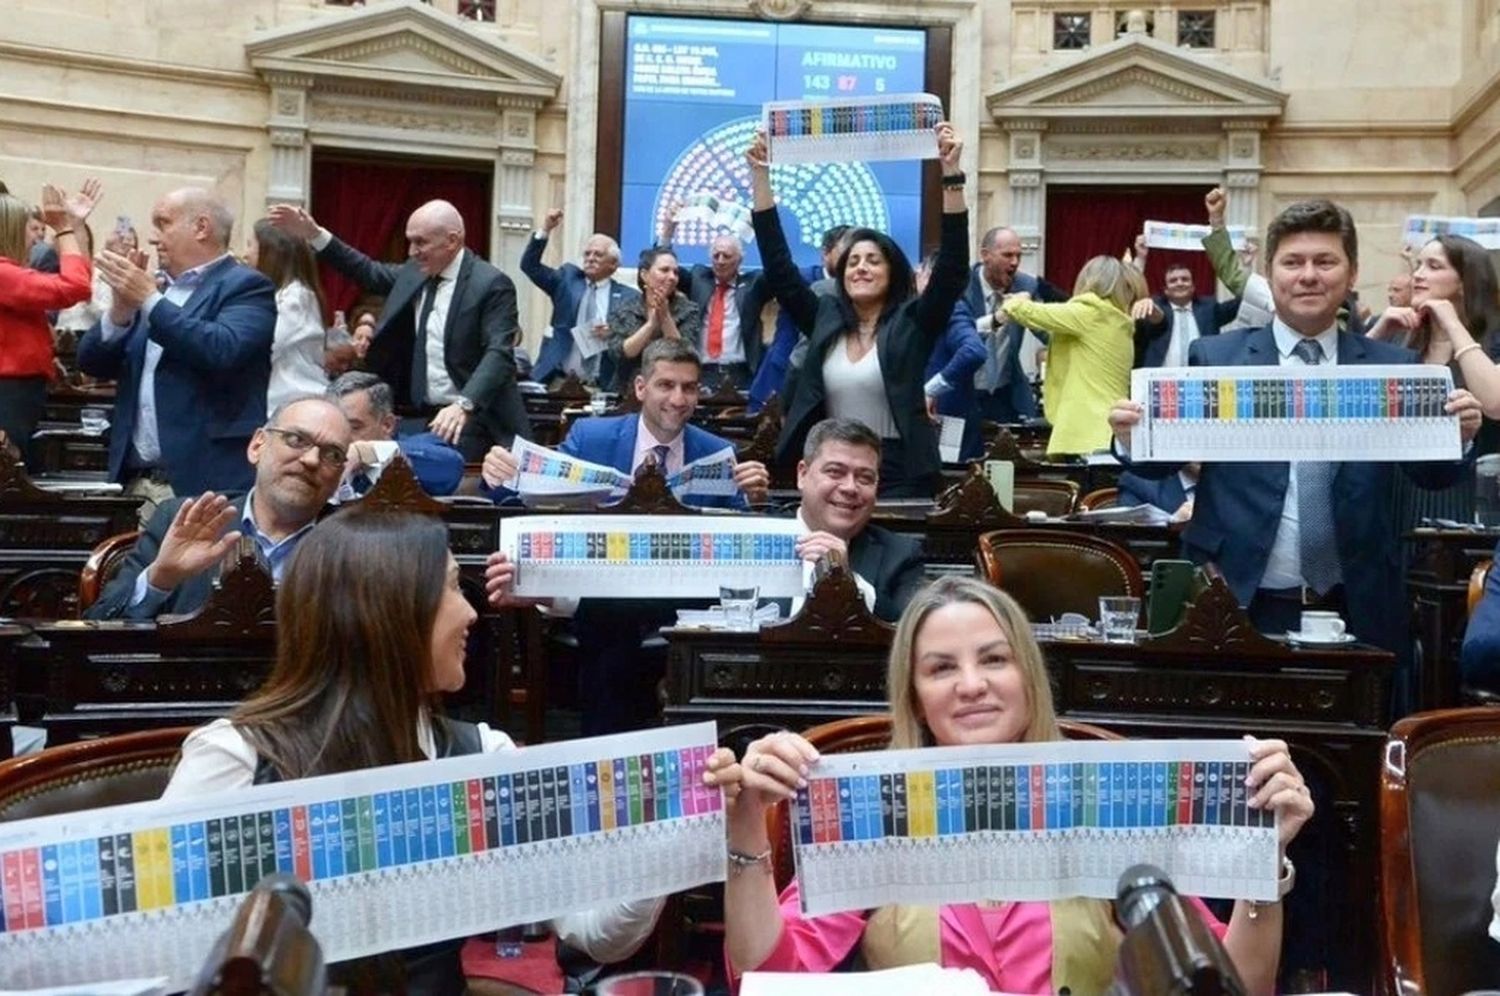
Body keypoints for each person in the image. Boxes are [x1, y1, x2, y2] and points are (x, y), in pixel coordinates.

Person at [706, 575, 1311, 994]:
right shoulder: (873, 804)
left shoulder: (1106, 798)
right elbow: (766, 976)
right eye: (942, 668)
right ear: (916, 699)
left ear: (1029, 677)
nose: (971, 685)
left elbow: (1238, 985)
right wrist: (747, 822)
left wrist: (1264, 861)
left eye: (994, 659)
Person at [162, 510, 686, 994]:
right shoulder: (237, 758)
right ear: (388, 613)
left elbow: (597, 933)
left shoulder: (482, 755)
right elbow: (162, 962)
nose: (471, 614)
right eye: (454, 588)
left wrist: (671, 825)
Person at [1108, 199, 1483, 661]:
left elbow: (1431, 475)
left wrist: (1459, 437)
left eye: (1325, 261)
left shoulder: (1393, 365)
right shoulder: (1216, 358)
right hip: (1236, 598)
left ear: (1351, 272)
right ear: (1270, 272)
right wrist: (1129, 435)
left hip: (1358, 603)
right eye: (1293, 262)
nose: (1309, 275)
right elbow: (1160, 460)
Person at [749, 123, 970, 498]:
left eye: (872, 260)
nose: (860, 268)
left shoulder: (914, 322)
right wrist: (760, 175)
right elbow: (779, 270)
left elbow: (951, 271)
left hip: (899, 470)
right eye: (852, 262)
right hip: (833, 466)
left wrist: (951, 176)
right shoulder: (824, 318)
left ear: (892, 271)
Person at [267, 200, 529, 461]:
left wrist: (464, 404)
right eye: (410, 241)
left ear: (452, 240)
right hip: (418, 416)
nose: (412, 251)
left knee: (386, 460)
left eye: (420, 242)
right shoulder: (416, 272)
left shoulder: (491, 284)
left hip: (471, 420)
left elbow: (498, 353)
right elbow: (367, 271)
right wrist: (315, 234)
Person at [79, 186, 277, 512]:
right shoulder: (157, 290)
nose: (154, 237)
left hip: (205, 484)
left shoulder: (247, 286)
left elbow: (221, 348)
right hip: (135, 482)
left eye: (163, 223)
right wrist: (120, 311)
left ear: (201, 227)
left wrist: (149, 300)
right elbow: (92, 363)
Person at [85, 396, 352, 621]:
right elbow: (97, 629)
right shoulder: (181, 519)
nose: (311, 460)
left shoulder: (353, 546)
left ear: (341, 474)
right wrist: (159, 579)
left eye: (333, 455)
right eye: (296, 439)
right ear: (257, 445)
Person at [1367, 234, 1500, 527]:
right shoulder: (1401, 336)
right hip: (1395, 498)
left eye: (1433, 266)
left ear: (1465, 281)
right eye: (1417, 265)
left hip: (1471, 502)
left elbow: (1495, 402)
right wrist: (1377, 334)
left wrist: (1451, 322)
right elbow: (1334, 390)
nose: (1418, 275)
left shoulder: (1495, 338)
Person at [1001, 254, 1143, 457]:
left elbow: (1029, 312)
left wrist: (1017, 300)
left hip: (1085, 432)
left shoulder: (1092, 312)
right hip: (1110, 429)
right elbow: (1058, 336)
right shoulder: (1116, 320)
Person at [0, 180, 98, 466]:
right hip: (9, 393)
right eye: (30, 230)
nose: (36, 240)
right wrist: (64, 229)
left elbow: (78, 280)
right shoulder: (4, 274)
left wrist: (75, 226)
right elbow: (76, 287)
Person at [791, 418, 926, 622]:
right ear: (803, 474)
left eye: (865, 478)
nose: (850, 488)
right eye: (835, 472)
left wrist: (850, 582)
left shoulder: (902, 555)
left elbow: (911, 630)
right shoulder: (752, 536)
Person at [523, 208, 639, 387]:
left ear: (614, 264)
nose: (590, 258)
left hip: (603, 384)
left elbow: (635, 340)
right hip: (557, 379)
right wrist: (545, 229)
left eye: (598, 254)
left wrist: (613, 333)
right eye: (587, 253)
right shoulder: (567, 280)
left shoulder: (629, 297)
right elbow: (529, 266)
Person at [657, 217, 772, 390]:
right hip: (702, 371)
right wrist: (667, 233)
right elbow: (662, 266)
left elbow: (778, 270)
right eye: (716, 255)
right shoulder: (698, 278)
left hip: (741, 372)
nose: (720, 260)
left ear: (739, 260)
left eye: (727, 256)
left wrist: (764, 227)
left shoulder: (753, 284)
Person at [965, 226, 1065, 424]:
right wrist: (1001, 316)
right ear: (985, 255)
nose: (1015, 262)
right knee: (958, 453)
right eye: (1007, 255)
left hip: (1005, 393)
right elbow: (960, 336)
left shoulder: (1026, 286)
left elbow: (1047, 333)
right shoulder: (961, 286)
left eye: (1018, 256)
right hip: (964, 391)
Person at [749, 225, 847, 413]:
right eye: (846, 250)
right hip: (780, 376)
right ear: (825, 253)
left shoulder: (856, 290)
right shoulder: (801, 278)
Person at [328, 371, 464, 500]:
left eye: (354, 427)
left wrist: (368, 452)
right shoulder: (320, 457)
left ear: (387, 425)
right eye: (335, 427)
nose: (342, 438)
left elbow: (452, 467)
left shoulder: (419, 446)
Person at [247, 218, 330, 413]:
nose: (246, 254)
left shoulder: (294, 299)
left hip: (292, 399)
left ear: (271, 253)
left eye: (251, 246)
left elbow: (265, 346)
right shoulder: (290, 294)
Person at [916, 254, 986, 462]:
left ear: (930, 277)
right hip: (936, 425)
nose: (916, 277)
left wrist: (931, 389)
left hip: (947, 424)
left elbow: (974, 351)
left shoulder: (953, 308)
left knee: (948, 484)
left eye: (920, 272)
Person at [605, 246, 702, 393]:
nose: (672, 277)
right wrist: (651, 325)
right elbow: (620, 353)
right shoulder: (624, 308)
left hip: (673, 389)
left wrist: (665, 316)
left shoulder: (689, 309)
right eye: (664, 270)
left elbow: (685, 354)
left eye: (675, 272)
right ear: (644, 275)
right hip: (627, 390)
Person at [1132, 259, 1242, 368]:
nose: (1179, 283)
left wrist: (1246, 266)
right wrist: (1140, 258)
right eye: (1173, 280)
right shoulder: (1155, 310)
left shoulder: (1209, 308)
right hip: (1161, 380)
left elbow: (1239, 303)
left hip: (1202, 379)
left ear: (1193, 287)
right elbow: (1131, 299)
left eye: (1185, 279)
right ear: (1166, 290)